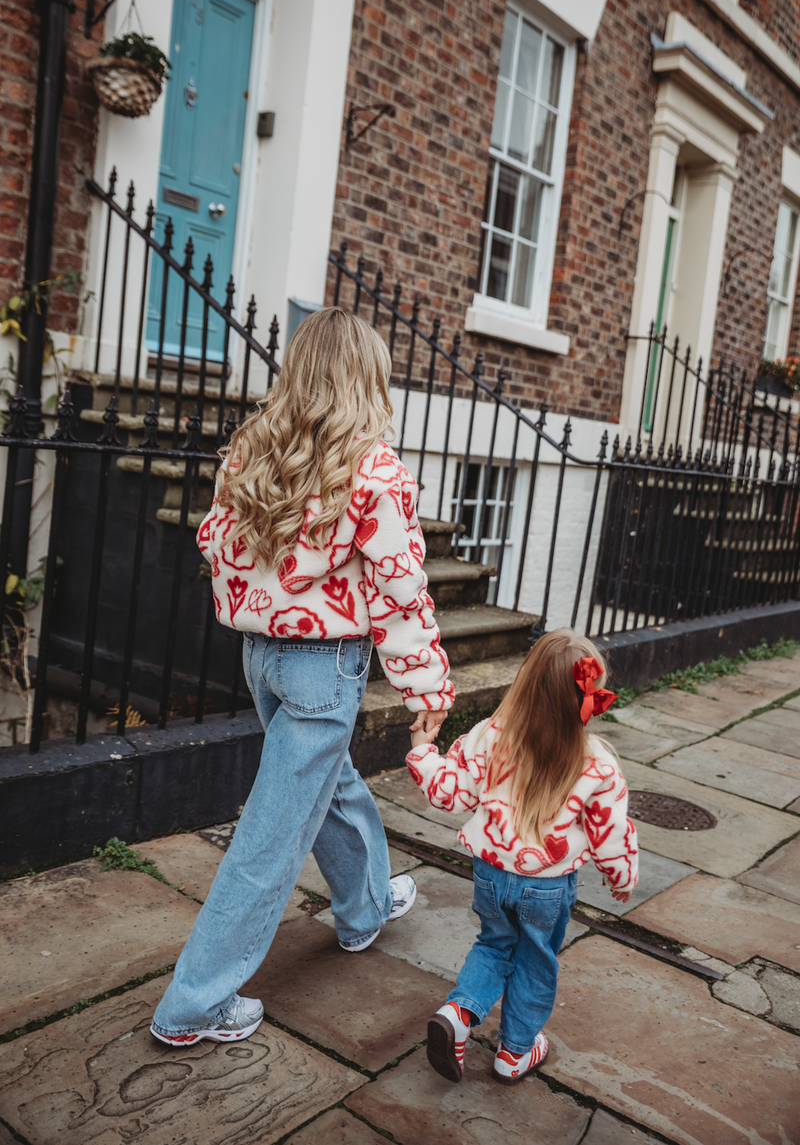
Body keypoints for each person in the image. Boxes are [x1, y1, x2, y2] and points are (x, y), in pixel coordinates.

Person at [150, 307, 453, 1047]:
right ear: (366, 377)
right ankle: (192, 1006)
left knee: (330, 782)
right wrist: (426, 684)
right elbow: (400, 586)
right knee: (272, 837)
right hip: (324, 665)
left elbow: (218, 547)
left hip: (263, 657)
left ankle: (364, 907)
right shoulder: (374, 468)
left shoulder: (252, 449)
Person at [406, 627, 637, 1085]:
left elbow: (452, 794)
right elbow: (610, 833)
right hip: (547, 887)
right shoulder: (599, 763)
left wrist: (423, 751)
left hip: (490, 873)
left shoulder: (488, 736)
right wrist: (621, 877)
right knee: (535, 960)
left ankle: (458, 1013)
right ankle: (515, 1052)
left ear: (525, 682)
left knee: (494, 944)